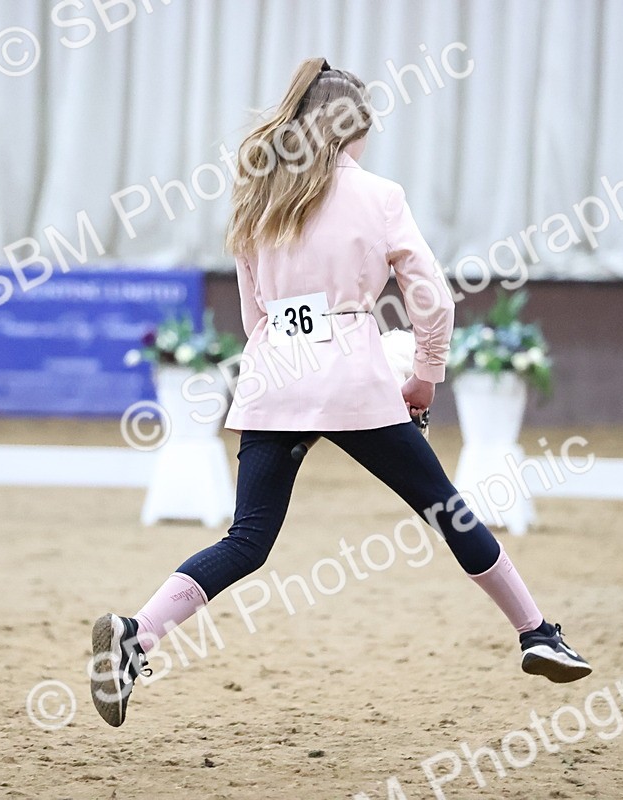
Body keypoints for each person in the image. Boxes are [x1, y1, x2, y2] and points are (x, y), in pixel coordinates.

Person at [91, 57, 591, 728]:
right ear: (353, 128)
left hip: (273, 376)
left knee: (246, 540)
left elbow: (254, 318)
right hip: (353, 378)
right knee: (448, 511)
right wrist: (425, 374)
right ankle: (536, 632)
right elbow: (432, 300)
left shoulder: (256, 198)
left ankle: (138, 634)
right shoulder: (380, 196)